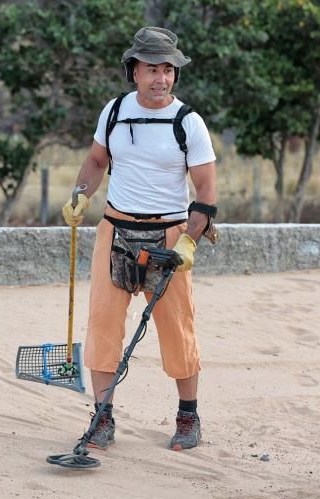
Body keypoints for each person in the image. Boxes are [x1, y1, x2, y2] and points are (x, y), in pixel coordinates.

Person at [62, 26, 217, 452]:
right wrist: (80, 195)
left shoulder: (189, 123)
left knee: (176, 326)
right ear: (134, 71)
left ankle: (188, 417)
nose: (161, 78)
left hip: (166, 235)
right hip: (114, 230)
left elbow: (206, 192)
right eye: (152, 68)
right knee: (103, 325)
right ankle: (102, 418)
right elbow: (97, 160)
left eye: (168, 69)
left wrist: (188, 240)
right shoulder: (113, 112)